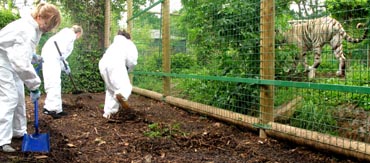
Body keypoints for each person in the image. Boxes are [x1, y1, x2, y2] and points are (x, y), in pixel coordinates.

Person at [0, 2, 61, 152]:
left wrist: (32, 56)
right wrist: (34, 85)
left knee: (19, 96)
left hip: (10, 60)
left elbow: (17, 50)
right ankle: (2, 140)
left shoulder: (34, 27)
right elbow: (20, 61)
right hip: (2, 62)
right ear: (39, 17)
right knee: (9, 97)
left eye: (50, 27)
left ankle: (19, 132)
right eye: (47, 24)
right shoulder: (27, 29)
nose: (47, 28)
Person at [41, 25, 83, 119]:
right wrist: (64, 63)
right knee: (53, 82)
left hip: (53, 58)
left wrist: (65, 66)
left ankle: (57, 109)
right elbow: (61, 53)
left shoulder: (65, 33)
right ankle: (49, 109)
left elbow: (61, 55)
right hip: (51, 58)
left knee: (56, 83)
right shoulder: (70, 35)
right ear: (78, 33)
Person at [99, 30, 138, 120]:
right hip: (116, 64)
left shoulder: (114, 44)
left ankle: (109, 113)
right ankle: (120, 95)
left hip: (103, 64)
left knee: (111, 89)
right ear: (129, 37)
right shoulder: (128, 43)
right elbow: (132, 61)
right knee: (125, 87)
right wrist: (128, 68)